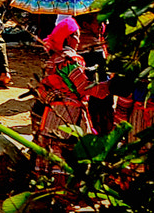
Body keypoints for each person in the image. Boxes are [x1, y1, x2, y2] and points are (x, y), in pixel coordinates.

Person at [35, 16, 107, 186]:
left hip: (52, 113)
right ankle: (68, 193)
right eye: (76, 35)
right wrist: (106, 87)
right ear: (68, 37)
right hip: (70, 114)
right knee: (73, 149)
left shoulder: (53, 59)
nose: (78, 39)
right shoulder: (71, 60)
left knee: (53, 148)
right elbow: (83, 87)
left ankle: (49, 190)